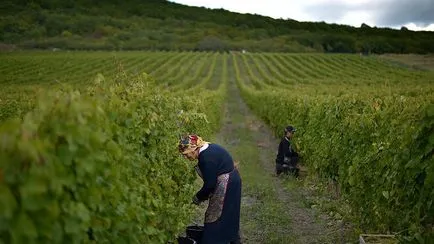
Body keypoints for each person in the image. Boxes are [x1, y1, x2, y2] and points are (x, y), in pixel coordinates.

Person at [178, 134, 242, 244]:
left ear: (194, 149)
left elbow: (210, 185)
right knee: (229, 213)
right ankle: (232, 240)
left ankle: (213, 240)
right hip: (232, 180)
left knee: (216, 215)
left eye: (186, 154)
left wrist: (197, 197)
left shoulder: (205, 158)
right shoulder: (208, 148)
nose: (186, 157)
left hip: (227, 184)